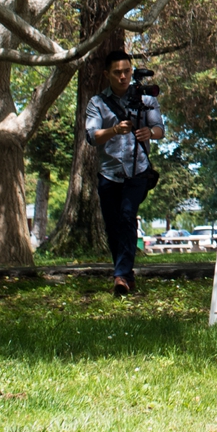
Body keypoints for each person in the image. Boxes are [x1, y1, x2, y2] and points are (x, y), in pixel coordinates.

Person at [81, 35, 165, 294]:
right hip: (109, 174)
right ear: (107, 74)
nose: (123, 77)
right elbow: (91, 136)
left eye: (127, 71)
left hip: (138, 171)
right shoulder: (97, 103)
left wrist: (148, 133)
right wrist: (114, 130)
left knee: (128, 215)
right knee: (113, 225)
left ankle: (120, 276)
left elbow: (160, 129)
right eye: (117, 72)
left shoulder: (145, 98)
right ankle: (126, 276)